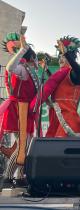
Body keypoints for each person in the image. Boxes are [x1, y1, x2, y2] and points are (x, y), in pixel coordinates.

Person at [0, 33, 39, 188]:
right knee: (22, 146)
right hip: (19, 111)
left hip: (27, 112)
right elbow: (10, 67)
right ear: (31, 58)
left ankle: (20, 176)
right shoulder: (22, 69)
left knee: (26, 146)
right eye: (35, 57)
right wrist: (22, 50)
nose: (37, 61)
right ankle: (7, 177)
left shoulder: (32, 73)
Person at [30, 36, 80, 137]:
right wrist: (46, 70)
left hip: (69, 122)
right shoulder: (62, 74)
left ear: (71, 58)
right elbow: (56, 84)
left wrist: (66, 53)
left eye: (63, 57)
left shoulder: (73, 73)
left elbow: (78, 70)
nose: (60, 59)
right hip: (57, 119)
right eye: (60, 57)